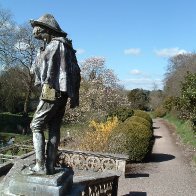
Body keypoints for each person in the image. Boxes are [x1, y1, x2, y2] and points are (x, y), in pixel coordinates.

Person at [29, 14, 80, 175]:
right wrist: (74, 95)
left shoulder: (54, 46)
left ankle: (40, 165)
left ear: (47, 30)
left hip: (51, 90)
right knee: (53, 127)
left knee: (36, 125)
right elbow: (76, 72)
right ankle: (50, 166)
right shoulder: (67, 47)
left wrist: (40, 55)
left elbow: (36, 69)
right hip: (63, 92)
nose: (39, 36)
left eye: (40, 32)